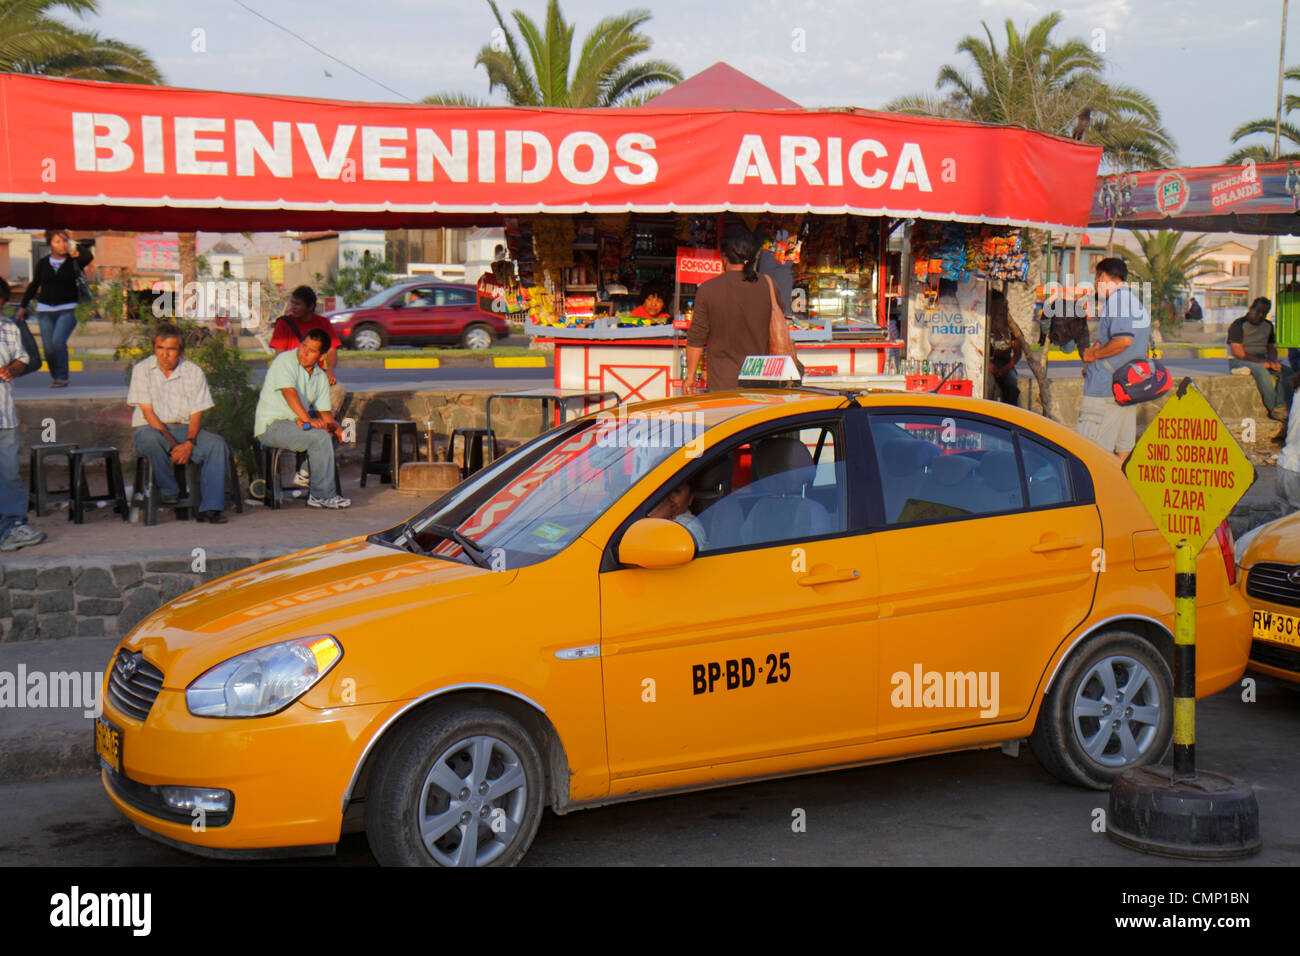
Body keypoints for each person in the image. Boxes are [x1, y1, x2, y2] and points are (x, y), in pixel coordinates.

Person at [128, 324, 233, 523]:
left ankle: (210, 508)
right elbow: (148, 413)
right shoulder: (142, 370)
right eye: (160, 348)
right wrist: (177, 446)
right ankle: (170, 490)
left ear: (181, 351)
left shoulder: (193, 372)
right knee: (150, 439)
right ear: (154, 348)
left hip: (185, 428)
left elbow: (196, 413)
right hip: (152, 428)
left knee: (216, 444)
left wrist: (189, 442)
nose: (164, 355)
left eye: (171, 350)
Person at [684, 225, 799, 394]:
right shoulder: (768, 285)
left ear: (724, 257)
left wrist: (691, 376)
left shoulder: (708, 289)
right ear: (753, 257)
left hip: (722, 385)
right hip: (761, 383)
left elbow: (696, 338)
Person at [255, 329, 350, 508]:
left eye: (311, 351)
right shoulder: (285, 360)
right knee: (319, 437)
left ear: (321, 357)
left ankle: (305, 472)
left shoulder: (320, 376)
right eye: (303, 346)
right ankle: (321, 496)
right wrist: (308, 420)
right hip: (272, 425)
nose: (304, 353)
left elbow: (323, 412)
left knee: (333, 435)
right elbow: (289, 392)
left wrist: (336, 428)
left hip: (297, 426)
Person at [1077, 258, 1150, 458]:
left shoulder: (1117, 301)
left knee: (1091, 453)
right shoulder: (1135, 303)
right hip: (1126, 388)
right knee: (1122, 451)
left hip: (1104, 390)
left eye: (1095, 279)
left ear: (1103, 277)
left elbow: (1124, 339)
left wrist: (1094, 355)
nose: (1095, 285)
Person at [0, 279, 45, 551]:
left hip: (4, 417)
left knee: (9, 475)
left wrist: (11, 369)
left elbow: (23, 359)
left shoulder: (9, 328)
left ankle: (14, 527)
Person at [19, 229, 93, 388]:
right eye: (58, 242)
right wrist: (23, 306)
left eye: (65, 241)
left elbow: (88, 256)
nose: (62, 245)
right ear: (50, 245)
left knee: (58, 341)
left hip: (68, 308)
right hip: (45, 309)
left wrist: (75, 248)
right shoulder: (43, 263)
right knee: (48, 347)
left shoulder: (74, 261)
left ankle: (62, 376)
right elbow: (34, 285)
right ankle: (56, 376)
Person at [1228, 296, 1293, 427]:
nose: (1260, 315)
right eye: (1258, 311)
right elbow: (1237, 351)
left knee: (1287, 371)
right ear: (1251, 309)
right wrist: (1261, 363)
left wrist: (1273, 360)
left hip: (1261, 357)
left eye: (1264, 313)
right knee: (1261, 371)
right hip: (1240, 360)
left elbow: (1270, 348)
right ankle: (1273, 408)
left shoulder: (1268, 326)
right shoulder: (1238, 324)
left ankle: (1281, 405)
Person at [986, 290, 1021, 406]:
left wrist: (1006, 368)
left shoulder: (1010, 326)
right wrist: (990, 367)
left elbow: (1017, 353)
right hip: (987, 364)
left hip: (1006, 363)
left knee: (1012, 386)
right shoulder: (985, 325)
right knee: (988, 387)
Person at [648, 480, 706, 547]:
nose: (668, 497)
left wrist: (656, 517)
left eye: (676, 491)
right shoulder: (652, 512)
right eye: (665, 490)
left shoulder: (689, 527)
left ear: (691, 498)